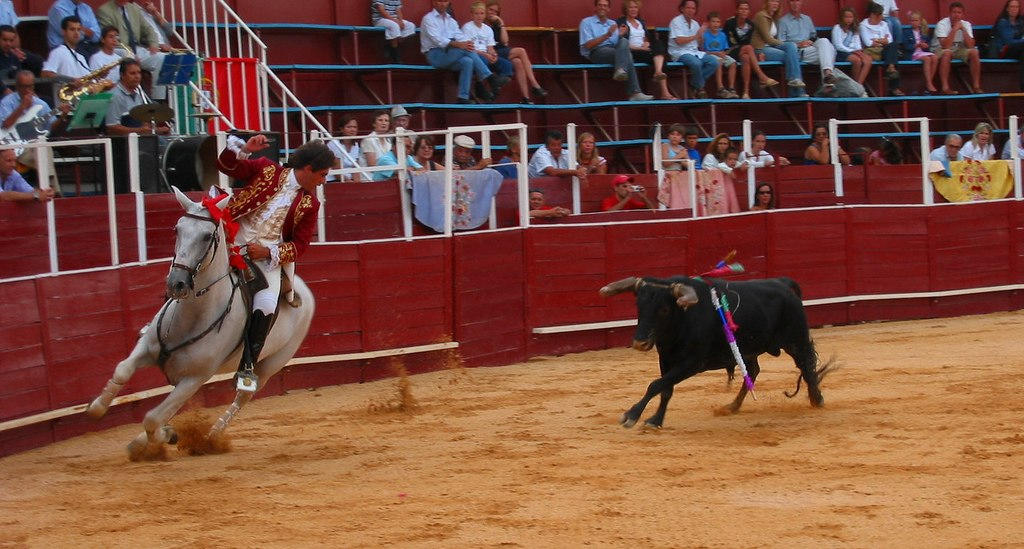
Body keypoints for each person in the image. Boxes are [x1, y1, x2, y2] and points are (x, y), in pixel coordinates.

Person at [215, 134, 333, 390]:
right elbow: (227, 167)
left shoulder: (310, 203)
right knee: (191, 260)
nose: (323, 181)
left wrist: (268, 253)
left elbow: (300, 246)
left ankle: (247, 366)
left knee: (267, 304)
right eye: (322, 175)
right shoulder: (267, 169)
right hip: (230, 238)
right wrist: (244, 150)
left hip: (264, 258)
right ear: (308, 169)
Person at [420, 0, 506, 104]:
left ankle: (463, 97)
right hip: (434, 54)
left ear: (448, 3)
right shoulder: (428, 19)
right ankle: (490, 78)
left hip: (449, 53)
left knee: (467, 61)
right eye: (440, 1)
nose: (443, 4)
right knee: (465, 50)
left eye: (445, 1)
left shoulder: (450, 20)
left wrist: (468, 43)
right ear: (434, 2)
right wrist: (461, 45)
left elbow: (460, 36)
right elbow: (438, 40)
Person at [0, 71, 69, 189]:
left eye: (31, 86)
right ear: (17, 86)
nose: (28, 90)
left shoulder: (40, 104)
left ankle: (48, 187)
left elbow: (49, 128)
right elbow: (5, 124)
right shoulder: (7, 102)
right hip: (11, 144)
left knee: (42, 145)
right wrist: (22, 107)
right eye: (24, 86)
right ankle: (51, 189)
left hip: (32, 145)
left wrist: (62, 116)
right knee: (42, 148)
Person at [579, 0, 653, 101]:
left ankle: (621, 71)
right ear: (595, 7)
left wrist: (620, 35)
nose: (602, 8)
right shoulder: (586, 22)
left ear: (609, 9)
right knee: (628, 55)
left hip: (612, 50)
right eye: (600, 5)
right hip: (596, 52)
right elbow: (588, 45)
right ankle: (634, 92)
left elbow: (616, 43)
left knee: (624, 41)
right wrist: (607, 35)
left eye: (605, 6)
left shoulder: (612, 23)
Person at [97, 0, 169, 101]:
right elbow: (110, 38)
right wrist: (131, 54)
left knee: (162, 58)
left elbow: (149, 29)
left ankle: (158, 99)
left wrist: (153, 44)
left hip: (137, 48)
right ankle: (139, 98)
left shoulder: (134, 8)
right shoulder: (104, 10)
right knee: (129, 57)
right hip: (119, 49)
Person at [484, 1, 548, 103]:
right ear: (485, 9)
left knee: (518, 62)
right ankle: (535, 85)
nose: (492, 13)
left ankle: (526, 98)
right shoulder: (481, 24)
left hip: (501, 51)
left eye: (496, 12)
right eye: (490, 9)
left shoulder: (496, 24)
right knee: (521, 51)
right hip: (491, 52)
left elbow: (505, 41)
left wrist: (501, 23)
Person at [617, 0, 675, 100]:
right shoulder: (621, 22)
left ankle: (658, 72)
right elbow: (622, 43)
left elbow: (645, 38)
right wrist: (640, 48)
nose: (633, 9)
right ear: (626, 9)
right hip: (631, 52)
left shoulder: (640, 22)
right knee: (660, 57)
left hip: (644, 50)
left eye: (635, 7)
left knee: (658, 46)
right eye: (631, 7)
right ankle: (664, 92)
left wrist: (646, 42)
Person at [778, 0, 838, 92]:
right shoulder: (783, 21)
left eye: (797, 1)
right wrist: (798, 44)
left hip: (812, 47)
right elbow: (781, 43)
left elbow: (813, 35)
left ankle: (827, 75)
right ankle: (827, 80)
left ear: (801, 2)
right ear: (788, 3)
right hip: (799, 52)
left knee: (824, 41)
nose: (795, 4)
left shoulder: (807, 19)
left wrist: (810, 40)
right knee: (831, 51)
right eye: (792, 1)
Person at [724, 1, 778, 99]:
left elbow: (748, 42)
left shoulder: (750, 25)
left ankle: (745, 92)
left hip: (743, 51)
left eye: (746, 9)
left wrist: (759, 53)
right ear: (737, 10)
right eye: (741, 9)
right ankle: (761, 76)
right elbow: (725, 40)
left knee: (746, 57)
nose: (744, 11)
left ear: (749, 11)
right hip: (729, 51)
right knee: (748, 48)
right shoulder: (730, 23)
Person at [462, 1, 514, 103]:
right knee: (483, 61)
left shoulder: (488, 29)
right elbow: (468, 48)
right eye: (476, 13)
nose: (479, 16)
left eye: (482, 13)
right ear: (472, 15)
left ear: (485, 15)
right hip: (475, 54)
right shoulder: (467, 27)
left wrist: (493, 54)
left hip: (486, 54)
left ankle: (495, 87)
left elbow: (490, 47)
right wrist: (485, 54)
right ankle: (481, 87)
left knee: (507, 65)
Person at [751, 0, 804, 97]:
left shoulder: (774, 18)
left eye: (777, 1)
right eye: (772, 1)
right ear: (767, 3)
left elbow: (773, 40)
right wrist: (785, 44)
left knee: (791, 50)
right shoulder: (761, 16)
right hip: (760, 50)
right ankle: (796, 90)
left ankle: (795, 84)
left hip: (770, 48)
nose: (775, 3)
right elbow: (768, 39)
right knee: (791, 52)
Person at [668, 0, 719, 100]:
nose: (691, 10)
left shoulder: (695, 23)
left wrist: (701, 37)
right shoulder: (676, 21)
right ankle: (700, 89)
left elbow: (698, 44)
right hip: (679, 52)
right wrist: (696, 36)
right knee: (696, 63)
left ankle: (694, 83)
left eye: (693, 8)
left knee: (714, 62)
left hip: (694, 52)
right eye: (688, 8)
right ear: (682, 9)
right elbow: (679, 41)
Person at [104, 58, 168, 136]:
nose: (137, 76)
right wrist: (140, 130)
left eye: (139, 73)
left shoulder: (139, 92)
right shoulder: (115, 96)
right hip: (124, 143)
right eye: (132, 73)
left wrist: (155, 130)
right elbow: (111, 128)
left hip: (140, 139)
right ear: (122, 75)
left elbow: (144, 123)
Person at [932, 1, 983, 95]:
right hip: (939, 50)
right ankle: (945, 88)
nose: (956, 15)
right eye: (954, 12)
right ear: (949, 13)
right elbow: (945, 46)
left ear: (962, 14)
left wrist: (963, 30)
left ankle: (976, 86)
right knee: (947, 52)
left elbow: (971, 45)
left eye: (959, 13)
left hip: (958, 49)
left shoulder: (966, 24)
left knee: (974, 52)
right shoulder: (942, 24)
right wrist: (955, 29)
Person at [860, 2, 903, 96]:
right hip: (871, 52)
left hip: (884, 50)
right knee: (893, 54)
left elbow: (890, 40)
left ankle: (890, 68)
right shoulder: (863, 25)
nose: (882, 17)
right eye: (879, 15)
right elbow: (868, 43)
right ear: (872, 15)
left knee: (894, 46)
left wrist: (877, 41)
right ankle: (894, 87)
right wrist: (883, 40)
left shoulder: (884, 24)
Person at [41, 16, 94, 82]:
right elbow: (46, 74)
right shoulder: (57, 52)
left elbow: (89, 82)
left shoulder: (81, 57)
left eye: (79, 29)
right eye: (72, 29)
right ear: (63, 32)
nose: (76, 33)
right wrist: (71, 80)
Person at [702, 11, 739, 99]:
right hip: (709, 55)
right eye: (713, 21)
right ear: (709, 23)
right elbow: (703, 51)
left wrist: (723, 53)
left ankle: (731, 88)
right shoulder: (705, 34)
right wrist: (716, 53)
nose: (715, 24)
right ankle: (720, 88)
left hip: (720, 54)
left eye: (718, 22)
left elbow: (724, 49)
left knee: (733, 63)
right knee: (718, 62)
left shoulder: (722, 35)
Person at [832, 7, 872, 86]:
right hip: (840, 52)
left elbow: (857, 44)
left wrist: (858, 51)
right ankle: (855, 85)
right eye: (846, 17)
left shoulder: (854, 29)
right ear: (842, 18)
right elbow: (838, 46)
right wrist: (852, 51)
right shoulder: (837, 28)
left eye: (851, 17)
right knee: (857, 60)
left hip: (853, 51)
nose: (848, 19)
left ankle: (859, 85)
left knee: (868, 59)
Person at [990, 0, 1024, 91]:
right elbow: (1009, 41)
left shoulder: (1021, 21)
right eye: (1012, 7)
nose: (1014, 9)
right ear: (1007, 9)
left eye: (1016, 7)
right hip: (1004, 51)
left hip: (1019, 50)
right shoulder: (1002, 22)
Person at [901, 10, 938, 94]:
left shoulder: (923, 32)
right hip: (912, 53)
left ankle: (928, 82)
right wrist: (917, 45)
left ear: (920, 21)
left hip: (921, 52)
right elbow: (906, 46)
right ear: (910, 21)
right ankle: (928, 84)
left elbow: (928, 44)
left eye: (916, 20)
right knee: (927, 59)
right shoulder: (906, 32)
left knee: (935, 57)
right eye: (912, 20)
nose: (914, 22)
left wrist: (925, 45)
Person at [327, 115, 361, 182]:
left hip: (349, 181)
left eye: (355, 127)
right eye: (349, 127)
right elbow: (337, 172)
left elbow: (356, 169)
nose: (352, 130)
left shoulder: (356, 145)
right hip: (334, 180)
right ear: (341, 129)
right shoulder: (334, 144)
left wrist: (357, 183)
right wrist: (351, 183)